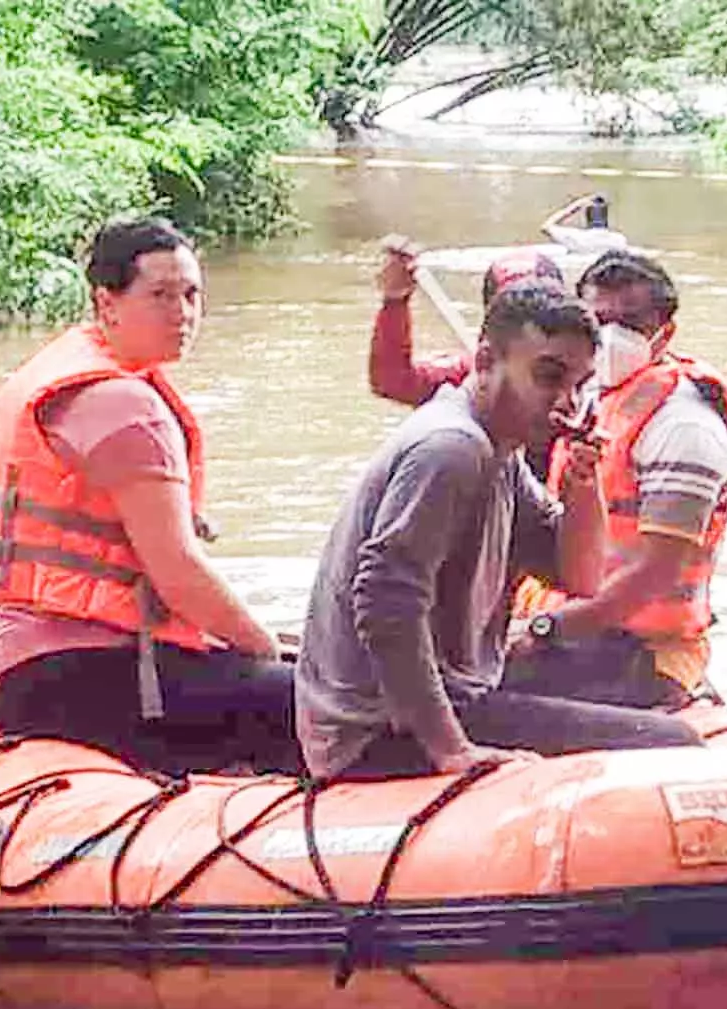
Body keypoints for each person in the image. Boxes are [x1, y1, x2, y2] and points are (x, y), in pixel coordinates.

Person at [296, 283, 704, 781]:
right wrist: (453, 750)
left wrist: (581, 481)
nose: (565, 403)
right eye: (549, 377)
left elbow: (579, 577)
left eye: (579, 386)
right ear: (486, 361)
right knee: (673, 744)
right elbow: (386, 604)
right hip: (376, 731)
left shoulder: (500, 452)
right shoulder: (452, 449)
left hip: (456, 697)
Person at [0, 216, 301, 775]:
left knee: (281, 669)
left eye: (192, 294)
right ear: (108, 302)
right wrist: (262, 646)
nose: (183, 313)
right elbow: (176, 571)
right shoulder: (123, 405)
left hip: (16, 660)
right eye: (160, 295)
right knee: (329, 702)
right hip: (71, 669)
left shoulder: (64, 366)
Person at [506, 249, 727, 711]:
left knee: (458, 694)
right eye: (600, 320)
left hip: (639, 650)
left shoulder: (683, 424)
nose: (613, 336)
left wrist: (546, 630)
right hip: (580, 631)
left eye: (631, 323)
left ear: (664, 332)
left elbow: (656, 574)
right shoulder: (592, 399)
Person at [367, 236, 565, 409]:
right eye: (514, 314)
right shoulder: (467, 376)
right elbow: (390, 381)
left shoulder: (583, 378)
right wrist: (395, 302)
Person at [540, 193, 630, 256]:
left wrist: (575, 206)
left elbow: (545, 226)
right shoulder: (619, 240)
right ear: (606, 218)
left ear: (588, 217)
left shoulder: (575, 238)